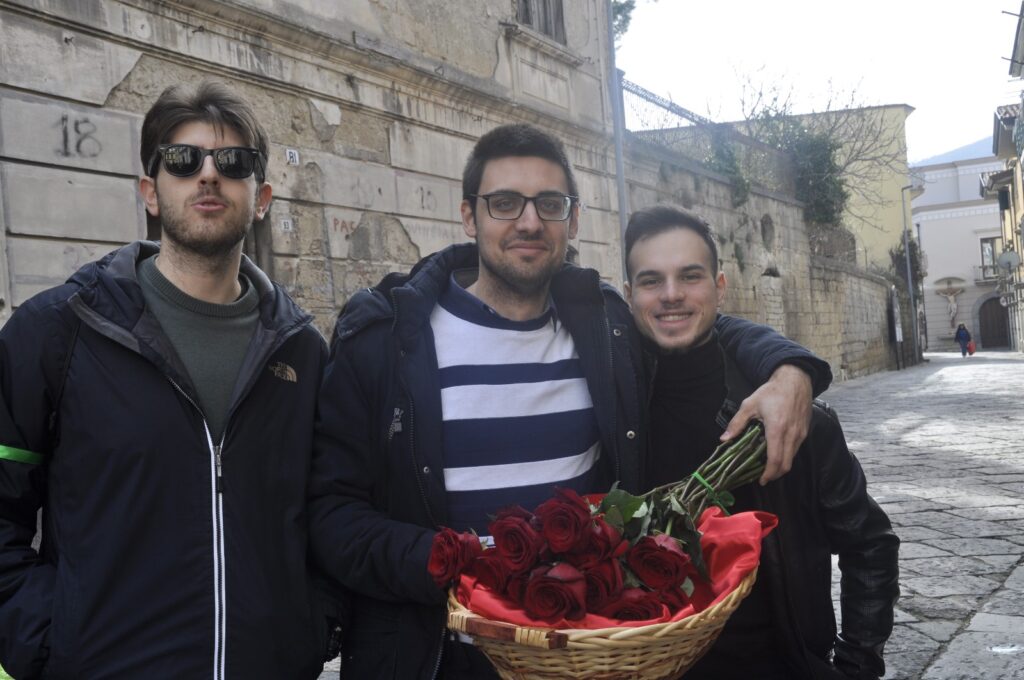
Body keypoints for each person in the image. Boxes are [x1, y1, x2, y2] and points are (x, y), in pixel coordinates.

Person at [309, 123, 832, 679]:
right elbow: (332, 515)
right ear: (469, 216)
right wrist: (446, 562)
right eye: (505, 203)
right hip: (434, 659)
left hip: (579, 660)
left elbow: (692, 318)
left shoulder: (604, 330)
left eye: (550, 204)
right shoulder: (386, 342)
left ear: (573, 219)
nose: (530, 222)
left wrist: (790, 370)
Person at [0, 81, 341, 677]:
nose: (208, 176)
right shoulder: (57, 332)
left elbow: (328, 512)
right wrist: (52, 641)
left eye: (233, 163)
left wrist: (309, 628)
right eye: (183, 160)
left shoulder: (303, 353)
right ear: (150, 192)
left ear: (260, 196)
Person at [623, 205, 899, 680]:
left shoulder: (795, 417)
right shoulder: (617, 415)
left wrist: (858, 664)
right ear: (629, 295)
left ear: (720, 286)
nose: (671, 295)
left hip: (778, 665)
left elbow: (869, 544)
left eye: (690, 276)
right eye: (651, 281)